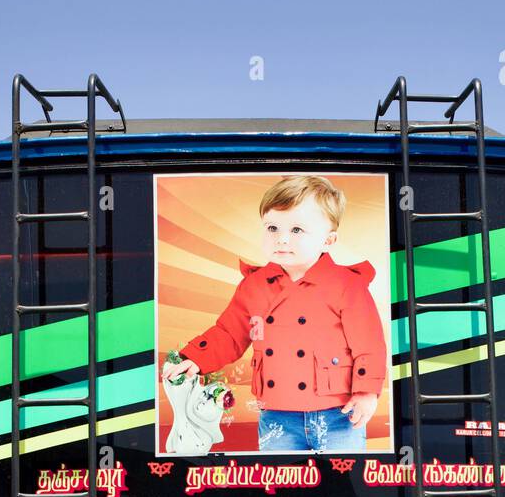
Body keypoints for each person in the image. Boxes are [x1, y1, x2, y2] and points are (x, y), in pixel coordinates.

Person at [162, 174, 387, 453]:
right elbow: (229, 333)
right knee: (281, 483)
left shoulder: (347, 285)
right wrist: (196, 358)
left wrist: (366, 392)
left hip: (339, 413)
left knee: (341, 484)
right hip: (276, 414)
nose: (281, 239)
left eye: (296, 230)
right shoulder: (254, 285)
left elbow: (370, 345)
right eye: (272, 228)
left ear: (328, 240)